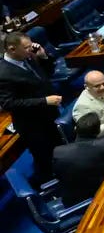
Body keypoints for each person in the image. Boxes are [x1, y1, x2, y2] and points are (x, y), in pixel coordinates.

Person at [0, 32, 62, 184]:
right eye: (26, 47)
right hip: (33, 125)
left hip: (49, 114)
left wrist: (43, 57)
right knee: (45, 158)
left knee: (59, 148)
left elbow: (46, 76)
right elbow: (9, 104)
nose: (31, 49)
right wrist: (44, 101)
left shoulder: (27, 57)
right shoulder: (3, 73)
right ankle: (51, 185)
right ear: (12, 49)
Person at [52, 112, 104, 206]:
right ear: (98, 131)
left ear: (75, 129)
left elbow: (58, 175)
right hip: (98, 199)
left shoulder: (58, 152)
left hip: (71, 200)